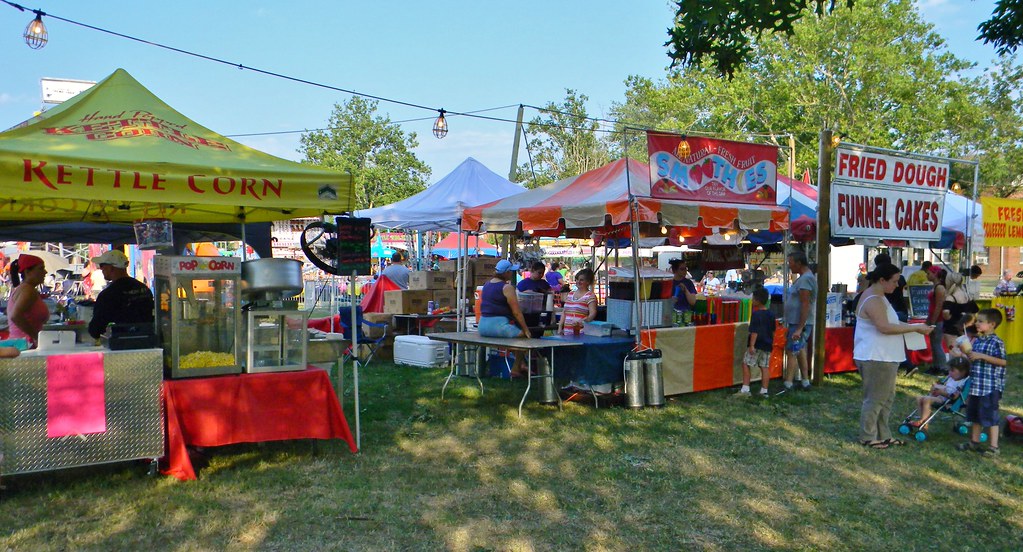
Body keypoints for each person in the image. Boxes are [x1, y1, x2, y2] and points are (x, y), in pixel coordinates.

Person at [854, 264, 934, 449]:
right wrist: (915, 327)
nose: (897, 285)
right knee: (875, 399)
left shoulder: (879, 296)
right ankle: (867, 437)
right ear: (882, 280)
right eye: (894, 281)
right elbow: (884, 327)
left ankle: (883, 434)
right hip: (876, 356)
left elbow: (892, 323)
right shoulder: (873, 299)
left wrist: (914, 327)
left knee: (886, 398)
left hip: (885, 356)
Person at [957, 308, 1007, 456]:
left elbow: (1003, 361)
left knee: (990, 416)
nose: (977, 324)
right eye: (977, 321)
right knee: (975, 415)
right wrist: (966, 353)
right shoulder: (978, 340)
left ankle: (993, 447)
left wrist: (981, 356)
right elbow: (974, 359)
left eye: (981, 321)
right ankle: (974, 442)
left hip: (990, 387)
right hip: (976, 386)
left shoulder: (996, 342)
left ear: (992, 324)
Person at [478, 259, 532, 376]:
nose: (512, 273)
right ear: (506, 273)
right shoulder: (507, 288)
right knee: (523, 338)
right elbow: (516, 312)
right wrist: (526, 329)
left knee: (513, 336)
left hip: (482, 325)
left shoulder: (486, 285)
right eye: (511, 271)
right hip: (498, 326)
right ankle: (516, 368)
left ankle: (522, 364)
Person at [88, 250, 156, 340]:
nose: (101, 269)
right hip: (147, 340)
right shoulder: (144, 289)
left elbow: (95, 330)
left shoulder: (108, 295)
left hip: (121, 342)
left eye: (102, 266)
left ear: (111, 268)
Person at [783, 251, 816, 391]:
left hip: (799, 322)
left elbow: (805, 303)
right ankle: (805, 381)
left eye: (790, 262)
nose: (789, 265)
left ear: (799, 263)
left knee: (791, 350)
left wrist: (799, 328)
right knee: (800, 349)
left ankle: (788, 383)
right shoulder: (803, 278)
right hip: (796, 321)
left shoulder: (805, 280)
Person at [736, 287, 775, 397]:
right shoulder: (771, 314)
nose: (752, 300)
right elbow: (773, 330)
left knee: (746, 363)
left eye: (753, 299)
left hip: (757, 344)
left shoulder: (756, 315)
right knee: (764, 367)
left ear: (757, 300)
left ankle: (745, 388)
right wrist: (771, 341)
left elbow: (755, 331)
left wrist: (751, 345)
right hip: (767, 344)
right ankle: (764, 390)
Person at [908, 357, 969, 429]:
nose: (949, 372)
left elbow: (954, 397)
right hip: (940, 397)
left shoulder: (961, 383)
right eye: (949, 370)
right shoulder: (951, 379)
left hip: (947, 402)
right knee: (919, 398)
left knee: (927, 400)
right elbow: (946, 388)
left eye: (952, 370)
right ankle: (922, 418)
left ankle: (923, 422)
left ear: (962, 372)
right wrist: (936, 388)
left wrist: (941, 392)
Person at [7, 254, 50, 348]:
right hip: (25, 345)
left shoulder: (24, 289)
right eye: (41, 268)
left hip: (22, 344)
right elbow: (15, 316)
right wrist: (36, 337)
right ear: (27, 272)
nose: (45, 272)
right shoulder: (27, 290)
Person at [924, 265, 948, 375]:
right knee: (933, 344)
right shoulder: (935, 287)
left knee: (937, 343)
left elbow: (939, 306)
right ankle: (936, 365)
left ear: (935, 274)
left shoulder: (939, 288)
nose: (927, 275)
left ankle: (943, 367)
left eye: (929, 273)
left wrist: (933, 321)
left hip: (938, 319)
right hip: (933, 317)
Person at [558, 268, 597, 335]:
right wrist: (560, 327)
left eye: (581, 280)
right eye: (577, 279)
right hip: (566, 333)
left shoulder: (590, 296)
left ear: (588, 282)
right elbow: (564, 312)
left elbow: (593, 313)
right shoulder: (570, 294)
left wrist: (583, 321)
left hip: (581, 333)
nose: (578, 282)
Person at [873, 253, 907, 322]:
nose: (897, 285)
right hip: (899, 310)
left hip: (895, 311)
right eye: (894, 282)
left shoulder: (874, 281)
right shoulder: (900, 278)